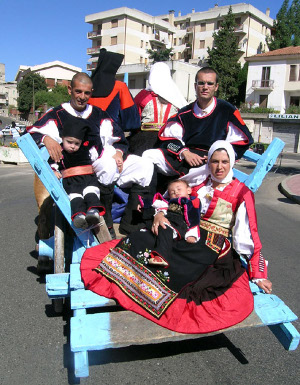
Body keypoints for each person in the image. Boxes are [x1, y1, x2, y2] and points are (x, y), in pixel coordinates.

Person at [80, 140, 272, 334]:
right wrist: (159, 215)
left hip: (214, 242)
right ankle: (134, 274)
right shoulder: (197, 185)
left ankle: (159, 286)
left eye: (224, 161)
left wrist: (258, 274)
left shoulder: (241, 192)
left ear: (231, 162)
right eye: (214, 161)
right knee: (142, 238)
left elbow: (247, 233)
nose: (219, 167)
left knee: (184, 265)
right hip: (185, 230)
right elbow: (168, 203)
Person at [27, 72, 154, 240]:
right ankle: (105, 220)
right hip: (72, 170)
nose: (82, 97)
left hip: (97, 164)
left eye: (87, 93)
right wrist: (46, 138)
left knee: (145, 165)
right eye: (78, 91)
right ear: (69, 90)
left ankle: (130, 222)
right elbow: (30, 134)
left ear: (91, 92)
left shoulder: (99, 114)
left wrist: (118, 152)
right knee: (109, 165)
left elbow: (117, 138)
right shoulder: (57, 114)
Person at [142, 66, 254, 187]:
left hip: (208, 163)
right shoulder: (185, 113)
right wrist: (183, 152)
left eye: (210, 83)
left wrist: (214, 156)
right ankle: (145, 202)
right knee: (149, 155)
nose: (205, 87)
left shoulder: (226, 111)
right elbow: (168, 137)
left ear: (216, 87)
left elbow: (239, 142)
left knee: (203, 173)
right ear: (195, 86)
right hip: (185, 157)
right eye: (201, 83)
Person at [50, 116, 105, 229]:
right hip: (71, 181)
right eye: (69, 142)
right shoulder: (59, 152)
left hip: (87, 178)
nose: (73, 146)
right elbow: (52, 163)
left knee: (91, 193)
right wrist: (54, 171)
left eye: (77, 143)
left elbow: (96, 157)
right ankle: (79, 216)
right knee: (75, 198)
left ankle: (93, 212)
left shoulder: (86, 150)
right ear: (62, 138)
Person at [128, 62, 187, 156]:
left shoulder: (142, 96)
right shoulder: (177, 98)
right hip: (169, 140)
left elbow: (134, 120)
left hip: (143, 140)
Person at [139, 179, 201, 266]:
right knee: (149, 221)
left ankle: (161, 256)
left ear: (189, 190)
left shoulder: (191, 203)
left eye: (179, 189)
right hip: (165, 219)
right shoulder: (168, 202)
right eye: (172, 192)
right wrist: (143, 205)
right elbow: (157, 203)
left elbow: (194, 218)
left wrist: (192, 234)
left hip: (177, 224)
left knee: (164, 229)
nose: (176, 192)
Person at [88, 48, 141, 133]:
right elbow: (132, 121)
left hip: (87, 133)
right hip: (111, 135)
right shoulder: (120, 87)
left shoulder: (86, 85)